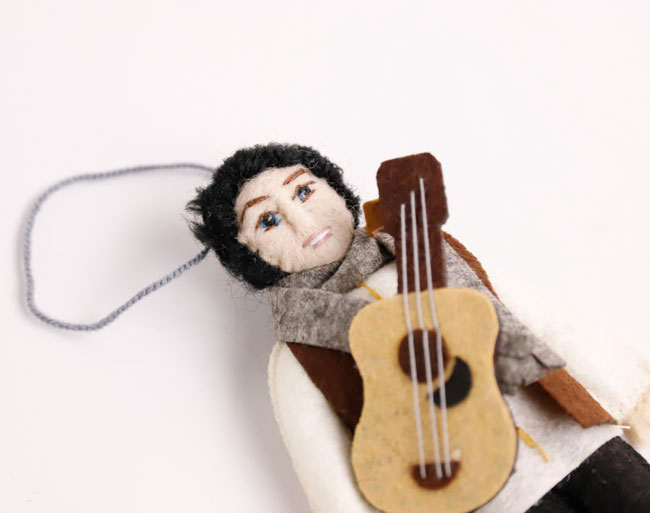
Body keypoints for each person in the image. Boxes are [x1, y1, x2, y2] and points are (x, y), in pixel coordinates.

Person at [189, 143, 649, 513]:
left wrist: (632, 391)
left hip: (570, 428)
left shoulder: (425, 249)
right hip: (478, 494)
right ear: (249, 254)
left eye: (305, 191)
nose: (303, 221)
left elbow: (539, 317)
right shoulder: (298, 354)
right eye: (268, 221)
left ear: (334, 188)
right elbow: (327, 467)